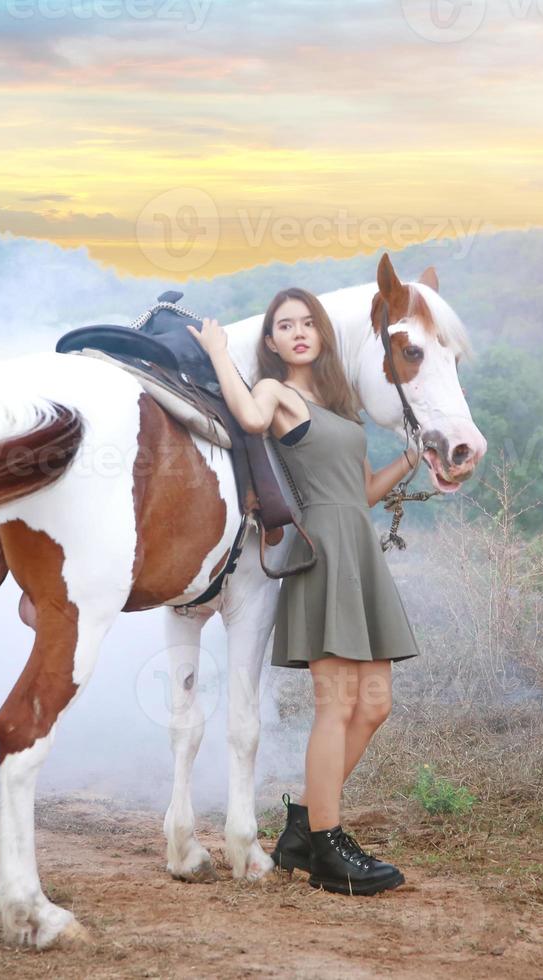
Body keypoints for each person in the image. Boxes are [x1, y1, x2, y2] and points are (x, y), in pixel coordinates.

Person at [187, 287, 421, 896]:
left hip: (359, 549)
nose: (298, 332)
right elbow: (251, 419)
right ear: (270, 341)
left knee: (374, 705)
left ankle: (302, 827)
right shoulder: (275, 393)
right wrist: (218, 352)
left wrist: (409, 461)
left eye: (307, 323)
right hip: (322, 555)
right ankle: (327, 843)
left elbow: (362, 491)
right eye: (284, 325)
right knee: (336, 704)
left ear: (321, 334)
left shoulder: (340, 406)